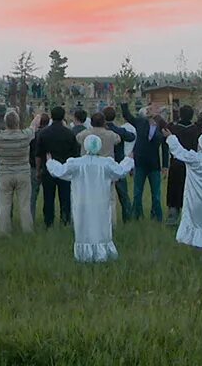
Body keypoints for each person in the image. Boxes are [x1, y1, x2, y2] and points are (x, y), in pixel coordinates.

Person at [45, 134, 135, 262]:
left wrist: (50, 162)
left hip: (82, 201)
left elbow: (59, 171)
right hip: (101, 201)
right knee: (100, 226)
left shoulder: (76, 163)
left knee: (84, 227)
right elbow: (120, 171)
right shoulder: (105, 163)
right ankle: (102, 253)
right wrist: (129, 160)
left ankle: (84, 255)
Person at [0, 110, 35, 235]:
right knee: (24, 205)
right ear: (18, 122)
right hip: (23, 173)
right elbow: (33, 126)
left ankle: (3, 232)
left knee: (4, 206)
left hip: (5, 174)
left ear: (5, 123)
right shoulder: (25, 135)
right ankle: (27, 230)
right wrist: (37, 115)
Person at [123, 103, 166, 222]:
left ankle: (157, 217)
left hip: (154, 164)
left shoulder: (162, 125)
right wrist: (125, 102)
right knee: (137, 193)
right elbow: (127, 116)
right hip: (140, 163)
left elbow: (165, 146)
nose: (149, 111)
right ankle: (137, 215)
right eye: (148, 109)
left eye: (153, 109)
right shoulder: (140, 122)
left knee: (156, 195)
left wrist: (165, 165)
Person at [35, 106, 77, 228]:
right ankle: (65, 220)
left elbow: (38, 154)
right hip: (65, 170)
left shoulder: (43, 133)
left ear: (51, 117)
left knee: (48, 198)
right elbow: (75, 154)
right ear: (63, 116)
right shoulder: (69, 133)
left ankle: (49, 222)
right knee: (65, 198)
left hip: (48, 170)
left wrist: (38, 170)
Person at [164, 105, 201, 226]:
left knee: (174, 189)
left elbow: (164, 127)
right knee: (190, 191)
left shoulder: (173, 128)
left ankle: (173, 215)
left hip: (176, 164)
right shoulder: (196, 129)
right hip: (191, 165)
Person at [103, 107, 136, 221]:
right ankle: (128, 218)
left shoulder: (102, 132)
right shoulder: (118, 130)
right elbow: (131, 137)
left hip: (105, 166)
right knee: (123, 195)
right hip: (119, 164)